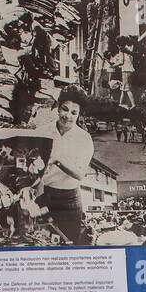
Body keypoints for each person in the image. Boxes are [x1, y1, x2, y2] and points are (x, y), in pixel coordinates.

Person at [38, 86, 94, 244]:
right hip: (45, 194)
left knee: (70, 242)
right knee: (43, 240)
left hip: (70, 199)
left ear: (79, 115)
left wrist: (57, 161)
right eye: (65, 109)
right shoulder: (42, 132)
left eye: (74, 113)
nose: (67, 116)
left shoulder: (84, 138)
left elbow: (80, 174)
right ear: (58, 107)